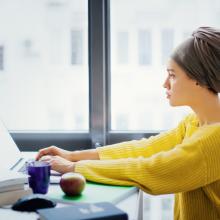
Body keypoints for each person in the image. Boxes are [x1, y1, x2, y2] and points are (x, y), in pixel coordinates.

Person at [36, 27, 220, 220]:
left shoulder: (213, 141)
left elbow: (153, 170)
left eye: (172, 75)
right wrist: (73, 156)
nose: (165, 83)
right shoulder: (194, 123)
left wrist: (73, 168)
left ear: (200, 79)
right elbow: (147, 148)